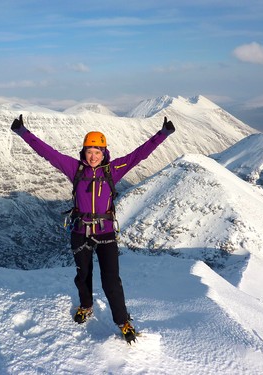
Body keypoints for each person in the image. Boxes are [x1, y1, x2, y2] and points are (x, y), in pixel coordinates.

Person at [11, 114, 175, 343]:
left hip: (106, 233)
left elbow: (140, 155)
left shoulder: (113, 169)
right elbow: (48, 153)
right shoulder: (74, 169)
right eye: (89, 151)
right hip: (80, 232)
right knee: (83, 275)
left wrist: (163, 134)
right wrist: (23, 132)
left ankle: (122, 320)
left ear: (104, 152)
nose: (93, 156)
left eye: (97, 152)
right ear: (84, 151)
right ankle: (86, 306)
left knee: (111, 279)